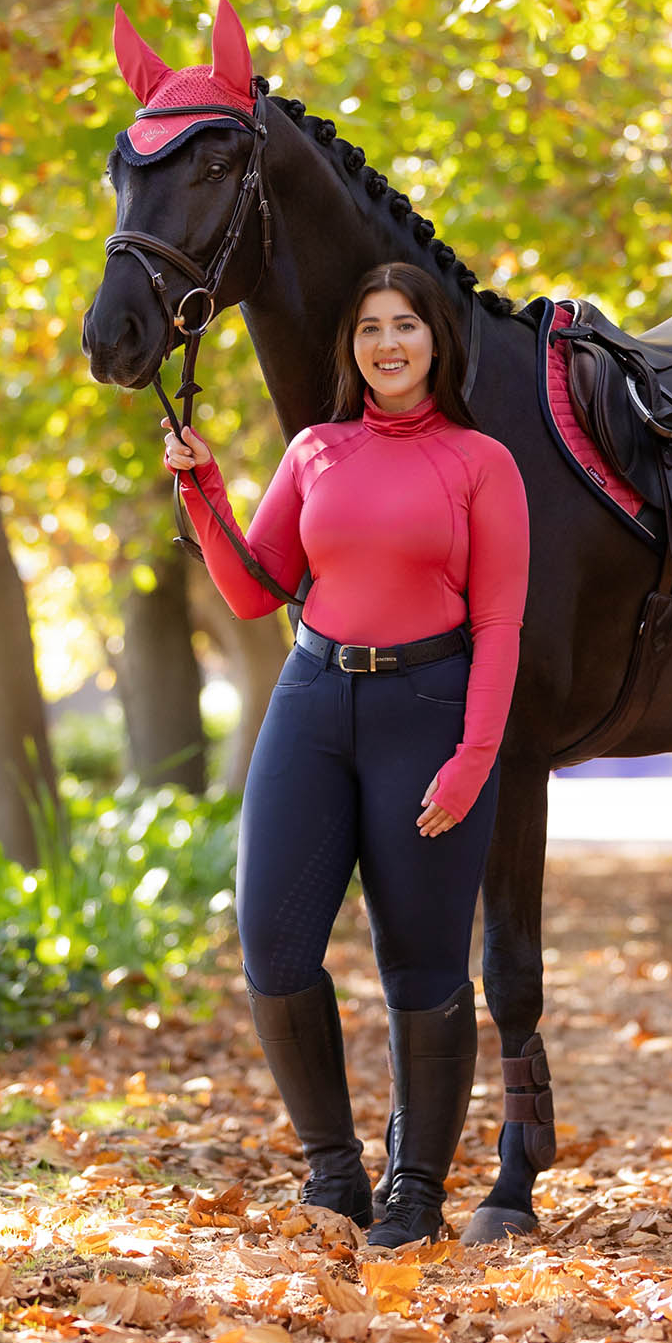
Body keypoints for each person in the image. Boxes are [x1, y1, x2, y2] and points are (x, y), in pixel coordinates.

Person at [162, 260, 529, 1246]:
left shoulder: (481, 462)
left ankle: (416, 1189)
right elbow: (253, 589)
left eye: (404, 325)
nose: (387, 343)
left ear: (434, 343)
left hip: (430, 705)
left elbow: (499, 625)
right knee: (273, 949)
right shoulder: (316, 450)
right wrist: (204, 489)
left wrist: (473, 755)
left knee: (421, 964)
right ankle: (334, 1170)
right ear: (350, 347)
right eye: (369, 328)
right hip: (314, 698)